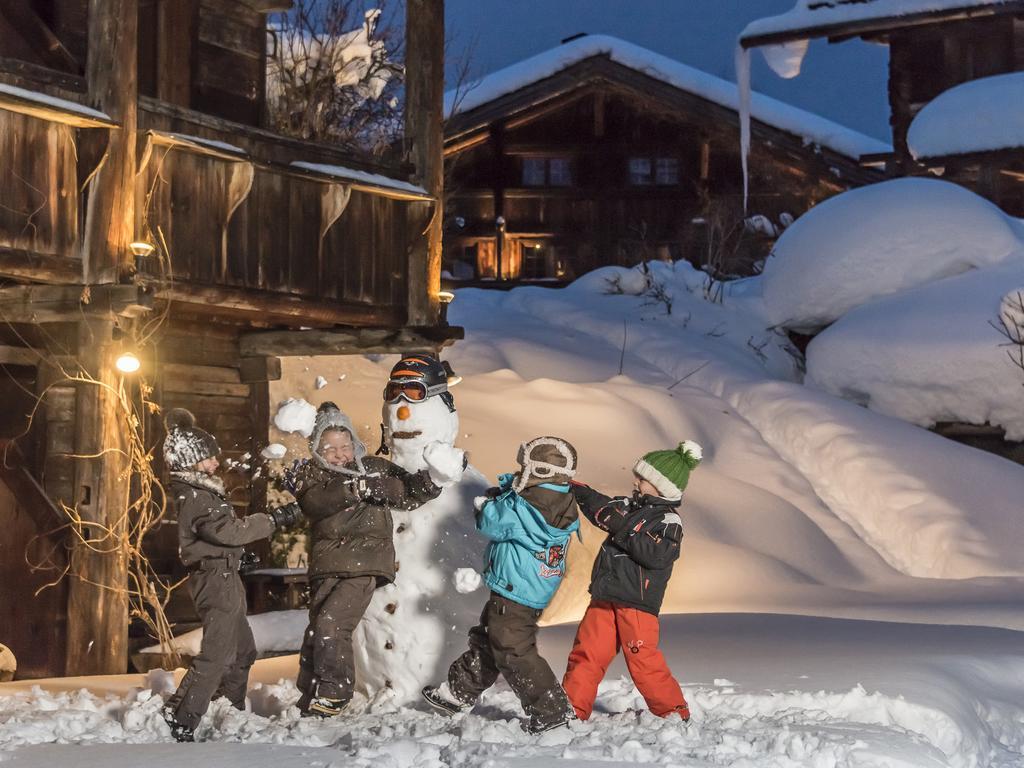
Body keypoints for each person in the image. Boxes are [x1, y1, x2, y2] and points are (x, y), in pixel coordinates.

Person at [287, 401, 444, 717]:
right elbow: (315, 503)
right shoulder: (312, 476)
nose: (340, 454)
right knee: (316, 628)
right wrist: (355, 487)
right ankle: (310, 693)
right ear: (317, 451)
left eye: (345, 446)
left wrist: (433, 479)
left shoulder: (374, 467)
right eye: (330, 449)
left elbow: (408, 492)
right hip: (326, 564)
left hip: (364, 564)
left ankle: (336, 691)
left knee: (332, 623)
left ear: (355, 444)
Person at [422, 436, 581, 733]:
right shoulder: (558, 496)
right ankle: (459, 691)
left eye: (526, 467)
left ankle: (551, 710)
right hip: (529, 587)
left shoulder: (527, 505)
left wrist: (488, 503)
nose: (521, 471)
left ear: (540, 471)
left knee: (512, 649)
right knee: (489, 638)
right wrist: (512, 489)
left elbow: (491, 521)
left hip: (515, 590)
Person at [161, 408, 299, 742]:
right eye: (207, 459)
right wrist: (274, 519)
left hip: (223, 576)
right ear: (189, 461)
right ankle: (180, 716)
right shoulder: (195, 496)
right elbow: (227, 531)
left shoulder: (201, 493)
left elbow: (220, 537)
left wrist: (237, 556)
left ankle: (227, 708)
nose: (214, 464)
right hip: (215, 581)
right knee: (219, 653)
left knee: (241, 651)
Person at [561, 441, 702, 723]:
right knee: (586, 654)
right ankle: (572, 711)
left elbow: (658, 555)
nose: (635, 480)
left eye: (643, 478)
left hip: (637, 604)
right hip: (605, 595)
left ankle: (674, 713)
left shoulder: (668, 520)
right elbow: (601, 506)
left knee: (642, 660)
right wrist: (573, 488)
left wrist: (621, 526)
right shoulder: (628, 506)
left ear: (662, 486)